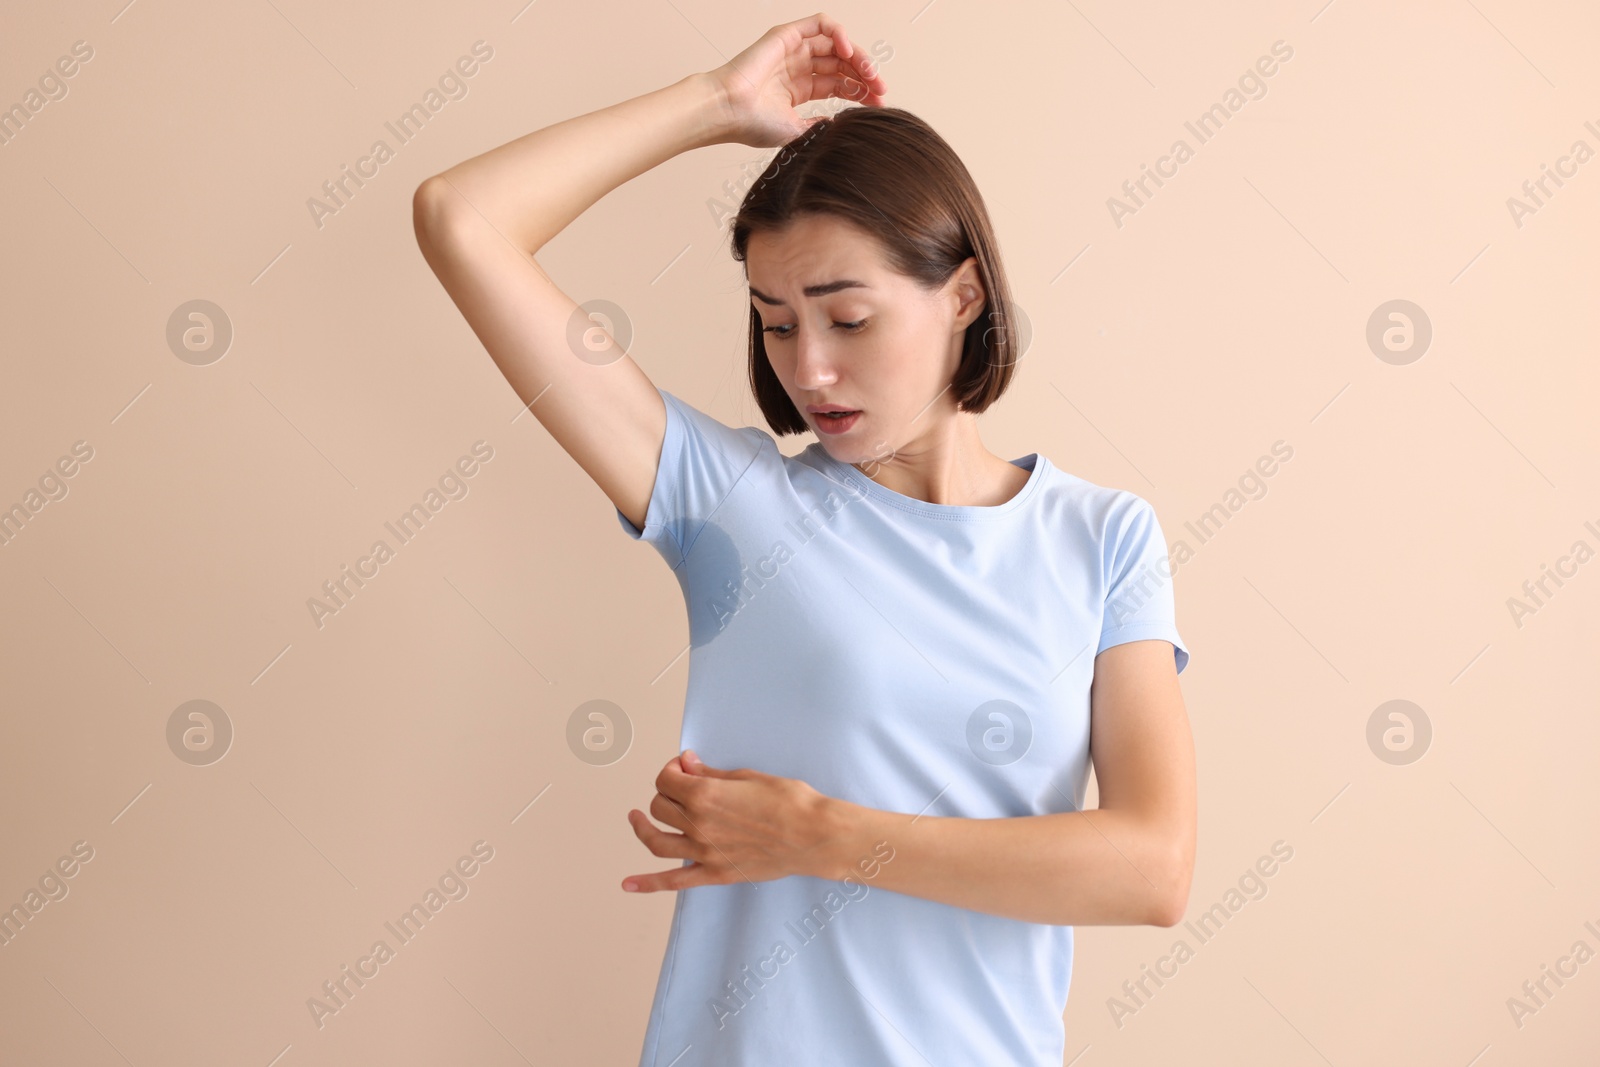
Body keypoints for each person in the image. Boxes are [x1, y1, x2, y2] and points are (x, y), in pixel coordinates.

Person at [412, 12, 1195, 1065]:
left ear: (962, 293)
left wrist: (817, 833)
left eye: (847, 318)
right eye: (776, 321)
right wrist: (710, 105)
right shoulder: (732, 505)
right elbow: (461, 216)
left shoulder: (1101, 537)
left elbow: (1152, 867)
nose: (808, 369)